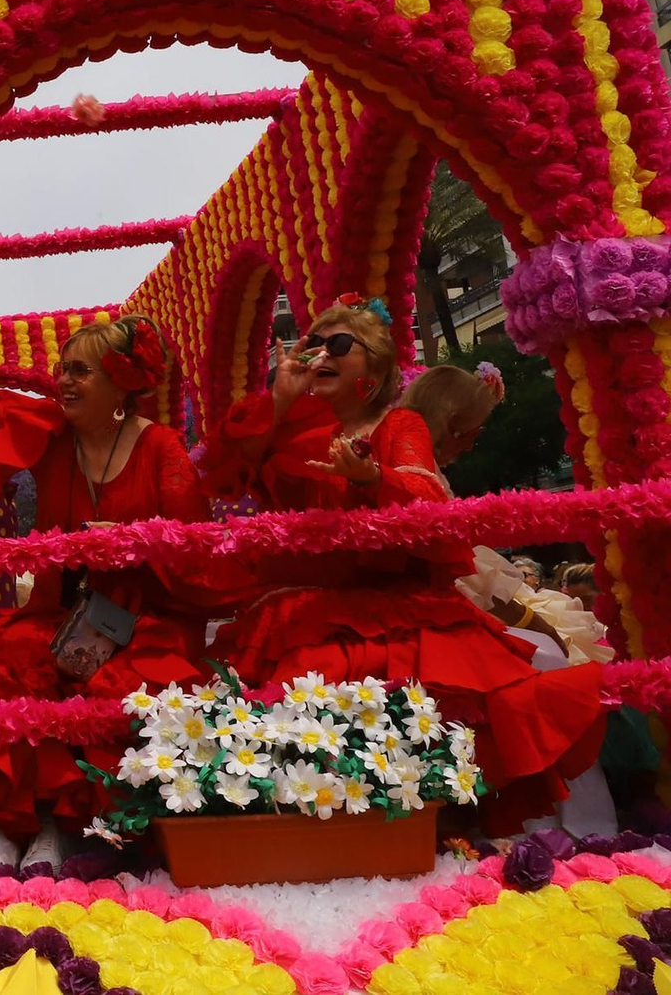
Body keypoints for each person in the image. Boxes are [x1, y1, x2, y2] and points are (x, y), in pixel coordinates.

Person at [204, 297, 607, 834]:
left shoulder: (398, 423)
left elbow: (424, 495)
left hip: (402, 611)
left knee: (488, 717)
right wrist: (277, 401)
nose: (320, 352)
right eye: (312, 343)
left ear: (373, 366)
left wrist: (372, 480)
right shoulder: (287, 431)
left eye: (338, 344)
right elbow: (219, 472)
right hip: (304, 616)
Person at [0, 315, 219, 868]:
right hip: (63, 615)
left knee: (126, 687)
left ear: (121, 382)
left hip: (148, 618)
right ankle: (48, 825)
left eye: (81, 371)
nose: (64, 382)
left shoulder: (162, 449)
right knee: (13, 663)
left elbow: (197, 551)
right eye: (61, 369)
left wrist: (134, 545)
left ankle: (112, 833)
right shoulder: (53, 433)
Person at [401, 366, 612, 665]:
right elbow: (465, 577)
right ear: (448, 424)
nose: (471, 446)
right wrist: (535, 624)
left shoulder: (424, 467)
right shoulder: (418, 475)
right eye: (471, 432)